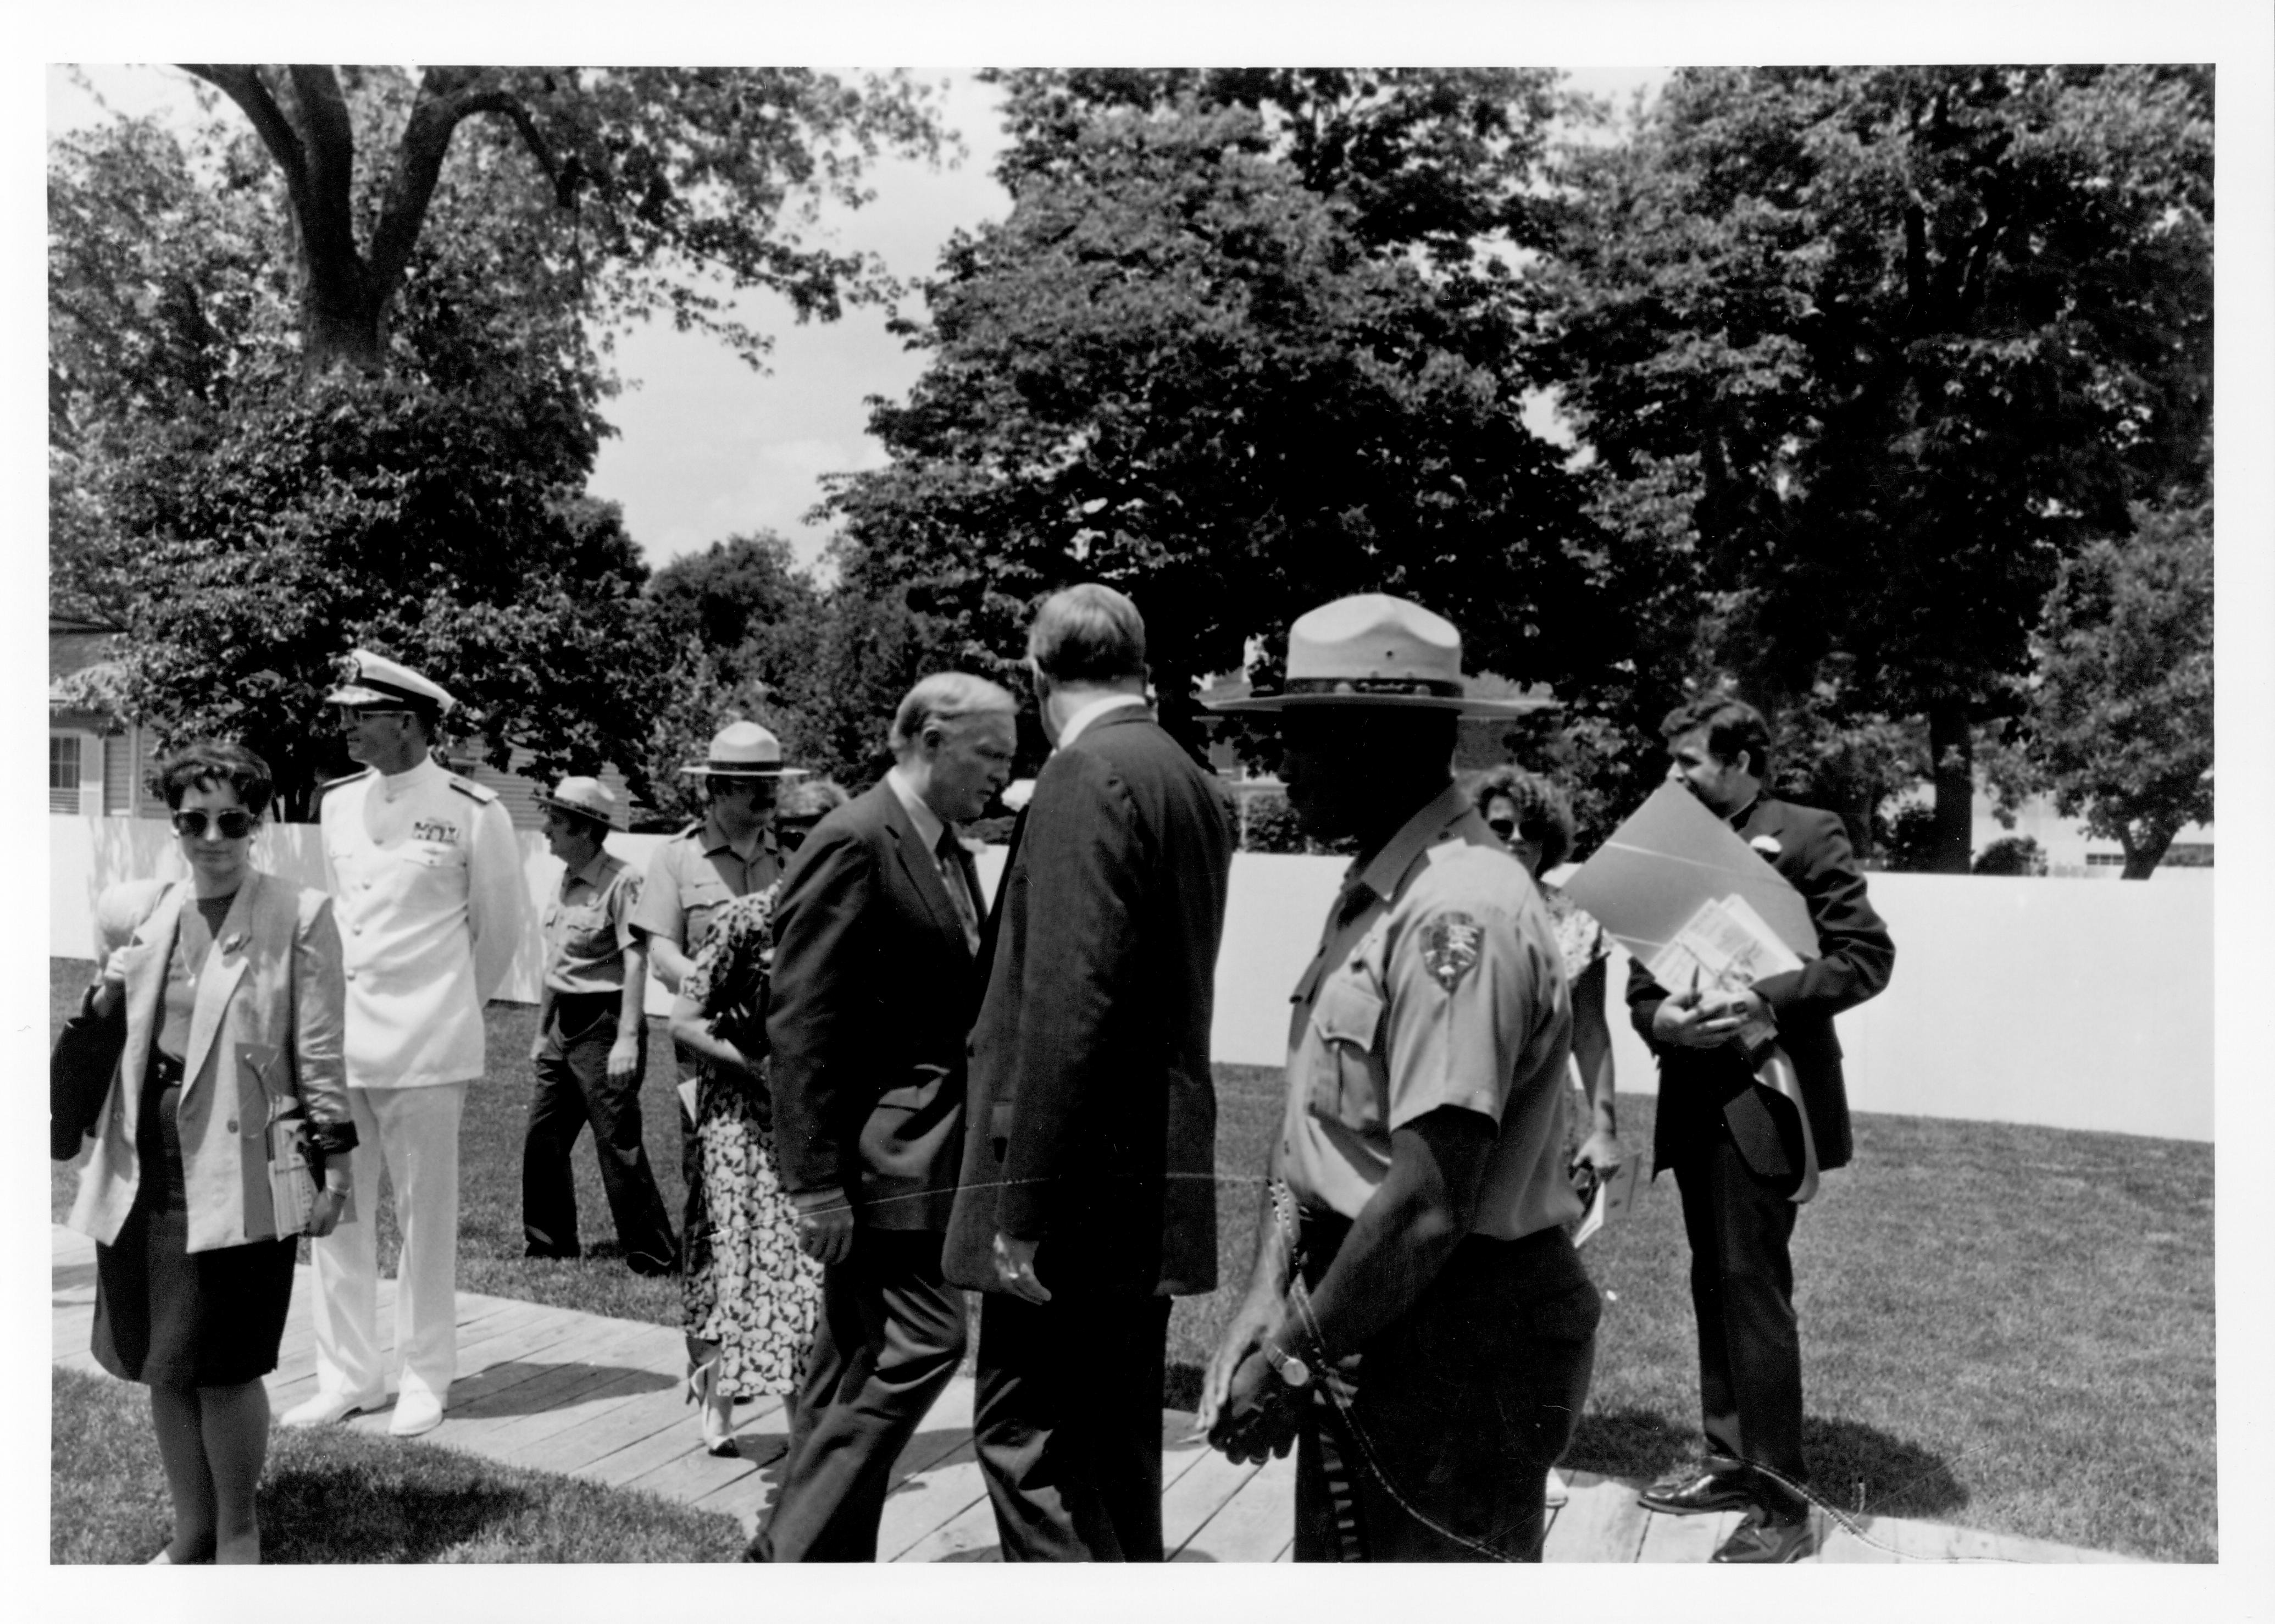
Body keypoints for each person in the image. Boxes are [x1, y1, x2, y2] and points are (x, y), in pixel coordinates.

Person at [1197, 592, 1600, 1562]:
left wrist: (1291, 1355)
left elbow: (1428, 1201)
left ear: (1374, 738)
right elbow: (1323, 1134)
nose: (1279, 764)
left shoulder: (1457, 911)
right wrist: (1267, 1290)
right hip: (1373, 1310)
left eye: (1300, 737)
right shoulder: (1386, 887)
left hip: (1455, 1339)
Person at [942, 583, 1235, 1562]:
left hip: (1073, 1191)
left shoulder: (1084, 776)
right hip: (1144, 1173)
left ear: (1037, 676)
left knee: (1029, 1443)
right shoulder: (1186, 778)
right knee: (1112, 1451)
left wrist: (1022, 1206)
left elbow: (1071, 1006)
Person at [752, 673, 1019, 1562]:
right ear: (930, 740)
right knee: (925, 1343)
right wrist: (816, 1184)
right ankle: (784, 1558)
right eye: (990, 756)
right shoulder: (856, 840)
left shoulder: (946, 847)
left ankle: (821, 1568)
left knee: (847, 1374)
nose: (1003, 778)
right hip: (875, 1169)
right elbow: (799, 1024)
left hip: (927, 1162)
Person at [69, 741, 358, 1562]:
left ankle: (239, 1532)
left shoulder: (299, 914)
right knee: (163, 1359)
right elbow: (108, 1031)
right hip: (144, 1166)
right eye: (193, 819)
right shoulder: (140, 908)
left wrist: (334, 1168)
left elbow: (322, 1053)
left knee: (225, 1364)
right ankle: (191, 1531)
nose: (213, 835)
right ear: (174, 824)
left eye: (233, 818)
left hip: (246, 1168)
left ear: (258, 821)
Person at [1628, 695, 1895, 1562]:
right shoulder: (1667, 842)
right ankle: (1730, 1457)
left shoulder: (1809, 832)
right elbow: (1644, 975)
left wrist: (1764, 996)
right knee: (1714, 1279)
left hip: (1768, 1099)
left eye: (1690, 763)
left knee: (1752, 1286)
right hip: (1693, 1096)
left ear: (1741, 760)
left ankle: (1785, 1503)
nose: (1673, 776)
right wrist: (1659, 1019)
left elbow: (1865, 956)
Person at [285, 650, 521, 1438]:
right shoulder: (339, 802)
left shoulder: (473, 809)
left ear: (411, 721)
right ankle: (348, 1375)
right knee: (339, 1212)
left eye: (362, 712)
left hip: (426, 1043)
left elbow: (497, 934)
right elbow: (346, 922)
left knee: (426, 1220)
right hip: (343, 1041)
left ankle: (425, 1376)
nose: (347, 724)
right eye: (346, 711)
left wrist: (444, 1005)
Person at [665, 774, 844, 1456]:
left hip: (819, 1123)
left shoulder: (852, 925)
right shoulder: (745, 921)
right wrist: (756, 1066)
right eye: (793, 839)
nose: (806, 854)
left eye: (820, 840)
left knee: (805, 1277)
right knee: (757, 1271)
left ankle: (801, 1425)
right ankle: (734, 1407)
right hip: (744, 1123)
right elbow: (684, 1022)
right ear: (777, 841)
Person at [630, 720, 792, 1299]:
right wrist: (723, 990)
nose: (768, 794)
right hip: (707, 1055)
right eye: (753, 783)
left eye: (773, 781)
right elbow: (661, 951)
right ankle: (714, 1325)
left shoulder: (791, 858)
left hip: (778, 1056)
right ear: (718, 787)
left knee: (779, 1187)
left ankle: (766, 1322)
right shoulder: (677, 858)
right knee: (708, 1184)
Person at [521, 775, 676, 1276]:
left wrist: (628, 1037)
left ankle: (652, 1251)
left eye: (556, 821)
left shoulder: (622, 880)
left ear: (585, 830)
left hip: (605, 1023)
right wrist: (543, 1031)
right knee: (543, 1138)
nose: (546, 830)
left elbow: (637, 962)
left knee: (618, 1142)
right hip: (563, 1022)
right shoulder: (565, 878)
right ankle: (549, 1243)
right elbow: (556, 964)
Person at [1470, 766, 1624, 1184]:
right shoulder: (1443, 907)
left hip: (1544, 1108)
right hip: (1458, 1102)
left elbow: (1590, 1032)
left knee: (1537, 1238)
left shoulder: (1577, 919)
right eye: (1502, 828)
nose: (1517, 838)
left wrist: (1605, 1130)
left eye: (1532, 828)